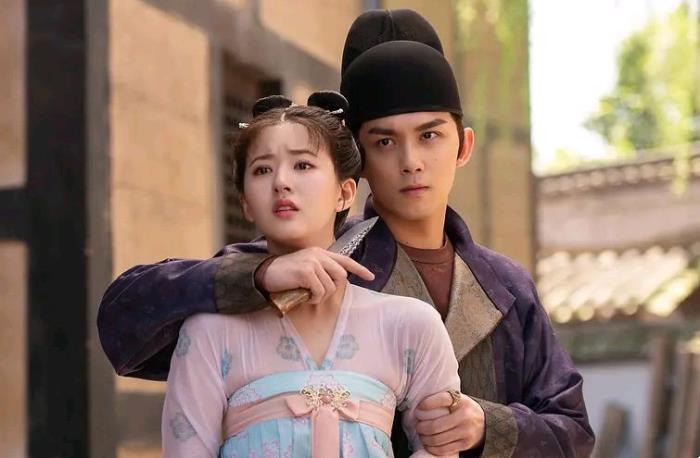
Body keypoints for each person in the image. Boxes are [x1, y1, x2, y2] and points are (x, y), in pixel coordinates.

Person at [99, 9, 594, 457]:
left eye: (430, 135)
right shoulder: (302, 264)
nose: (411, 162)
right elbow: (127, 322)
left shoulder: (507, 286)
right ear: (354, 161)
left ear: (463, 146)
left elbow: (574, 430)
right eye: (384, 141)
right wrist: (261, 275)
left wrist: (488, 425)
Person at [162, 92, 460, 457]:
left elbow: (440, 448)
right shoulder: (209, 333)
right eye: (262, 170)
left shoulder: (410, 325)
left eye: (302, 165)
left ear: (344, 193)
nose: (281, 182)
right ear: (246, 204)